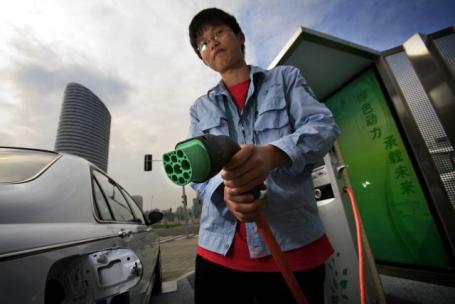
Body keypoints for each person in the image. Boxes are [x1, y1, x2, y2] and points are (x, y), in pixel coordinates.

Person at [187, 8, 340, 304]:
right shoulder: (199, 109)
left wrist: (273, 154)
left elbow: (323, 125)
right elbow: (198, 174)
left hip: (293, 246)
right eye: (203, 43)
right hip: (218, 253)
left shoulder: (284, 79)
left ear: (240, 36)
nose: (212, 43)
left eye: (218, 32)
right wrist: (226, 194)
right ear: (203, 58)